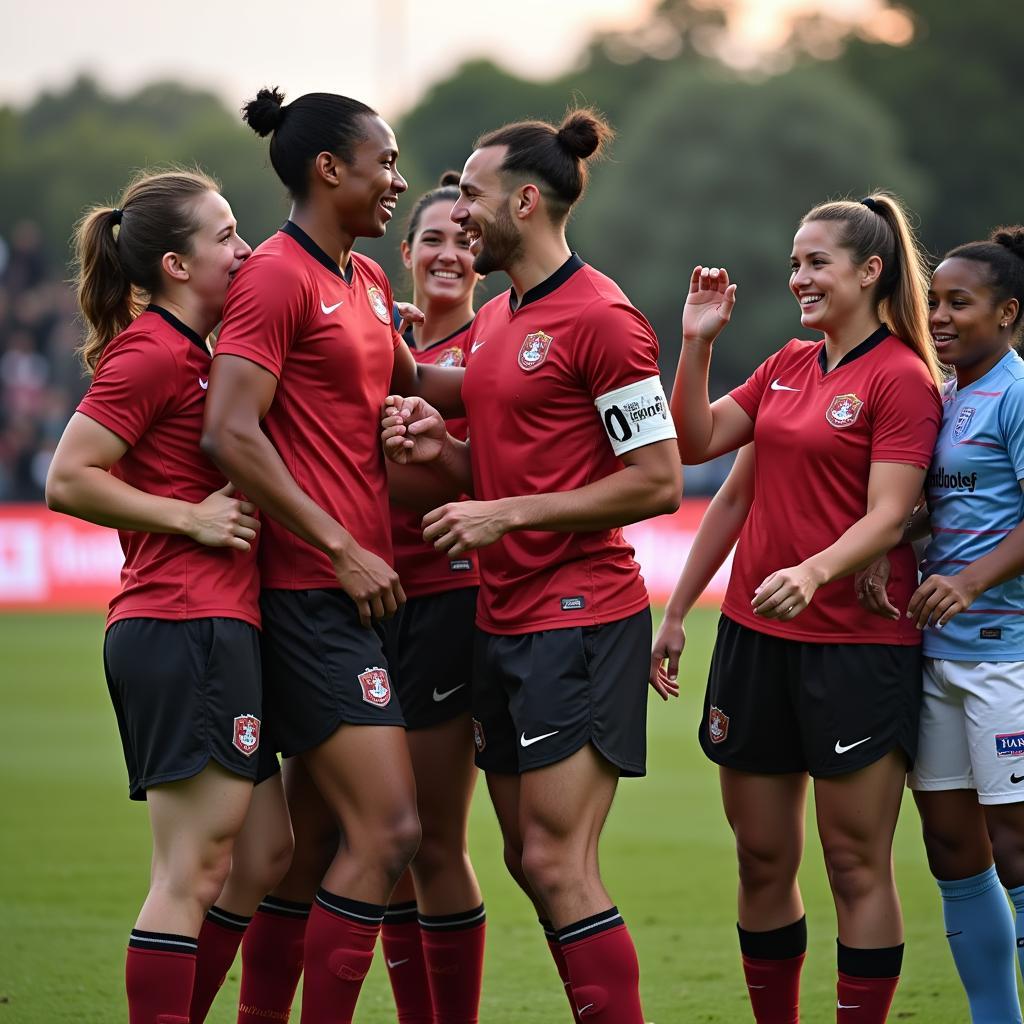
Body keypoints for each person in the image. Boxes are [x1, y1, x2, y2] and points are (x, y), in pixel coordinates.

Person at [382, 108, 682, 1023]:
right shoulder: (501, 317)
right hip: (504, 618)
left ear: (523, 198)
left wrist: (505, 511)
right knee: (525, 859)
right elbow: (486, 458)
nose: (460, 212)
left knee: (557, 863)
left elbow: (659, 481)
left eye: (469, 195)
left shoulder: (604, 319)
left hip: (582, 617)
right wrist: (439, 439)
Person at [200, 88, 465, 1024]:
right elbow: (229, 433)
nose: (398, 181)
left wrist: (548, 369)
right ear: (329, 169)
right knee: (392, 831)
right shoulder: (275, 276)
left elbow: (423, 378)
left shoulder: (366, 281)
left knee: (307, 851)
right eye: (385, 164)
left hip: (357, 596)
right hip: (310, 591)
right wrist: (343, 545)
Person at [670, 194, 943, 1023]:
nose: (800, 278)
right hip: (757, 638)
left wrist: (815, 571)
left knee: (854, 863)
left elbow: (890, 514)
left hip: (856, 646)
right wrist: (695, 344)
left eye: (817, 262)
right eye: (795, 263)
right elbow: (696, 450)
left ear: (870, 270)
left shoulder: (902, 378)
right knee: (761, 858)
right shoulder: (787, 362)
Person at [45, 168, 290, 1024]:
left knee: (264, 854)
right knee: (191, 870)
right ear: (178, 265)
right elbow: (68, 478)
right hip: (181, 620)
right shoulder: (153, 351)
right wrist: (188, 517)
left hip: (217, 623)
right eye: (225, 236)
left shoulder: (199, 355)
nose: (245, 248)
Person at [857, 226, 1024, 1023]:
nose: (943, 316)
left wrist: (966, 580)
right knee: (953, 849)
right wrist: (894, 538)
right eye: (936, 302)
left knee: (1017, 847)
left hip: (1007, 658)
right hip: (937, 658)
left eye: (961, 302)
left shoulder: (1019, 392)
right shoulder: (949, 394)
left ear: (1009, 313)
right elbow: (951, 506)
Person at [381, 173, 486, 1024]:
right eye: (433, 240)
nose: (448, 253)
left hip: (448, 605)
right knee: (373, 842)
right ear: (405, 253)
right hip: (356, 604)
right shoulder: (372, 337)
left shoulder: (497, 346)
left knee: (429, 838)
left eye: (464, 240)